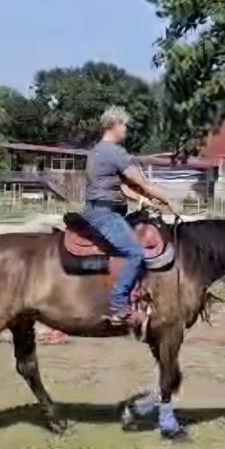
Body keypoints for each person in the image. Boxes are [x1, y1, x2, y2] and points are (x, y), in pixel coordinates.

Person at [83, 105, 180, 324]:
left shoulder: (97, 150)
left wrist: (145, 200)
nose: (126, 129)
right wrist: (170, 200)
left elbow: (123, 187)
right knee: (135, 252)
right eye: (124, 125)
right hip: (104, 214)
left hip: (101, 209)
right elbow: (142, 182)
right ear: (114, 125)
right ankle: (119, 305)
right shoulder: (113, 152)